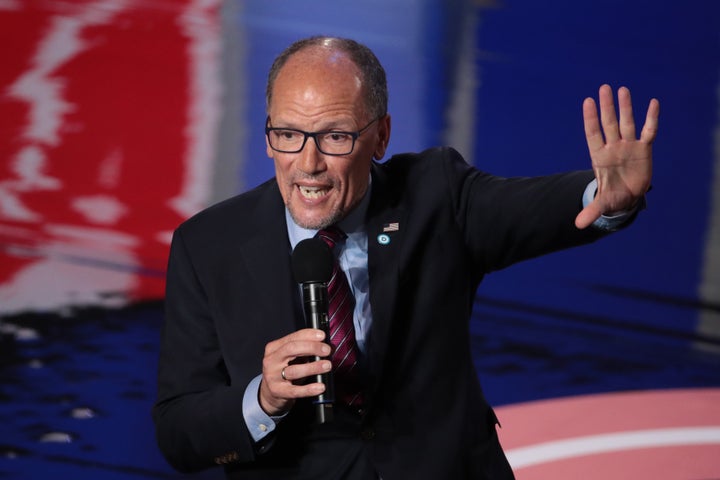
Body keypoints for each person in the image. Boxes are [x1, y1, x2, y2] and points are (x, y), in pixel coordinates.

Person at [152, 36, 659, 479]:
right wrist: (264, 399)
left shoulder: (435, 195)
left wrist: (607, 195)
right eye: (287, 135)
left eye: (335, 137)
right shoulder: (208, 245)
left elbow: (532, 209)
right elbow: (179, 432)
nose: (308, 164)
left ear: (381, 136)